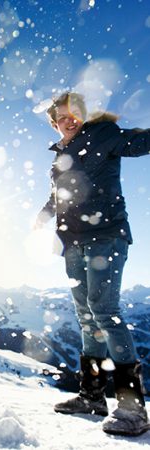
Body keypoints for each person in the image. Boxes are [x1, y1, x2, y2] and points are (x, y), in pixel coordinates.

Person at [35, 92, 150, 436]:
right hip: (72, 241)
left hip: (107, 234)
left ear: (83, 116)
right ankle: (92, 397)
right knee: (87, 317)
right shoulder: (57, 160)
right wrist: (44, 214)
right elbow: (58, 195)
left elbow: (138, 142)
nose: (68, 119)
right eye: (61, 116)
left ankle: (132, 408)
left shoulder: (103, 135)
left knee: (105, 311)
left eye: (74, 113)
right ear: (54, 123)